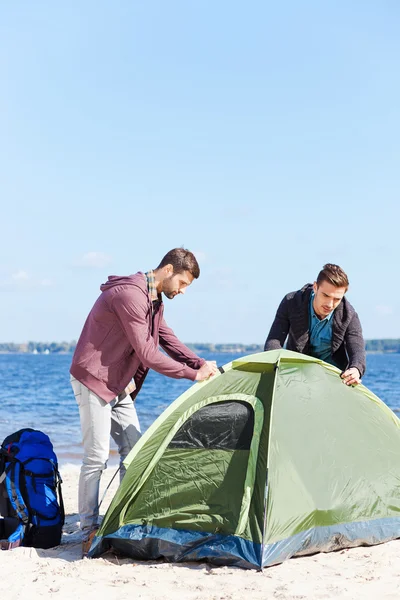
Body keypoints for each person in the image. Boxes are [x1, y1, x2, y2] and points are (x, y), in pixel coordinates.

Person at [70, 248, 217, 556]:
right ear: (168, 270)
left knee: (134, 453)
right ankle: (88, 531)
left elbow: (167, 339)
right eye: (183, 283)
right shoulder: (130, 296)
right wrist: (193, 376)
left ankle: (122, 520)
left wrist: (200, 362)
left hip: (118, 383)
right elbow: (148, 353)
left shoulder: (154, 301)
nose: (183, 291)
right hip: (93, 379)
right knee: (96, 457)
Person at [264, 263, 366, 386]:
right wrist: (277, 367)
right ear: (315, 287)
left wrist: (355, 369)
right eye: (326, 295)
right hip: (296, 374)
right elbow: (273, 342)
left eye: (336, 299)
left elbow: (357, 351)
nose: (330, 304)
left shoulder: (349, 315)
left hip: (333, 379)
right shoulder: (291, 302)